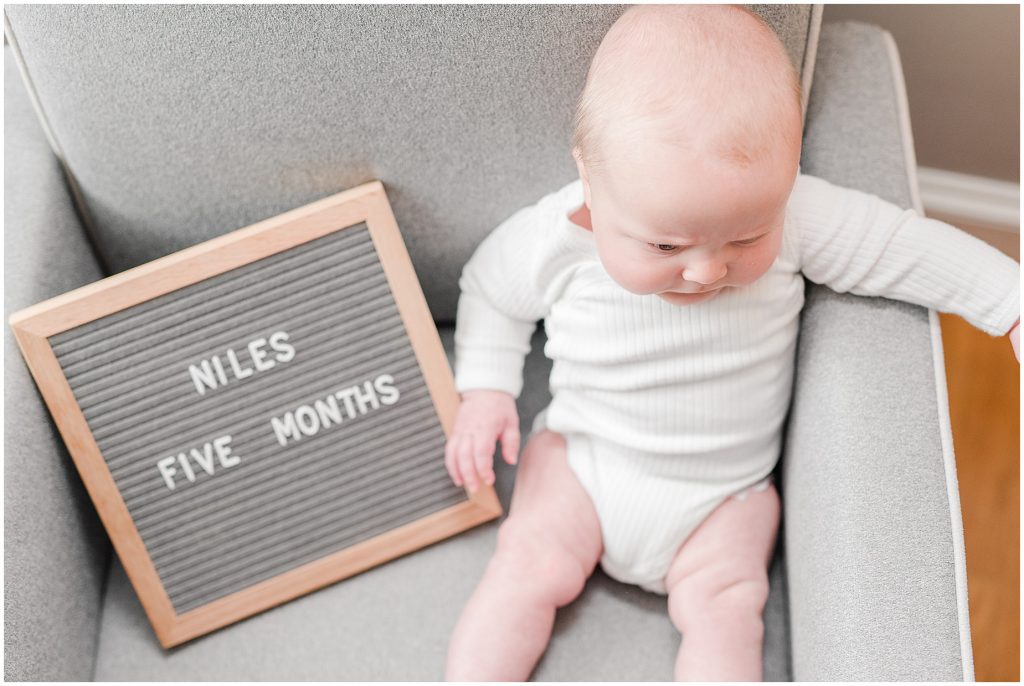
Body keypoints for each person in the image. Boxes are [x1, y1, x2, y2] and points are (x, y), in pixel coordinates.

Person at [442, 5, 1020, 681]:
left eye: (746, 239)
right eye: (664, 244)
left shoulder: (794, 214)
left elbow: (899, 246)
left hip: (722, 499)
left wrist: (1007, 299)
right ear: (591, 181)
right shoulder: (555, 238)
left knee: (725, 613)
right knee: (523, 568)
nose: (707, 270)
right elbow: (490, 288)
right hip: (587, 466)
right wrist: (484, 389)